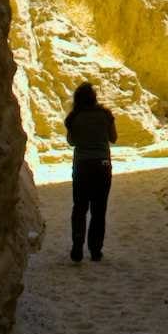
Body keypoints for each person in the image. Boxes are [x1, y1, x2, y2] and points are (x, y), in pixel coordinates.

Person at [64, 81, 117, 263]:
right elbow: (114, 138)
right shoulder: (105, 115)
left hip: (82, 166)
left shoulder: (74, 118)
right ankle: (95, 251)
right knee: (99, 209)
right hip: (102, 165)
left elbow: (71, 142)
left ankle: (77, 245)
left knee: (79, 207)